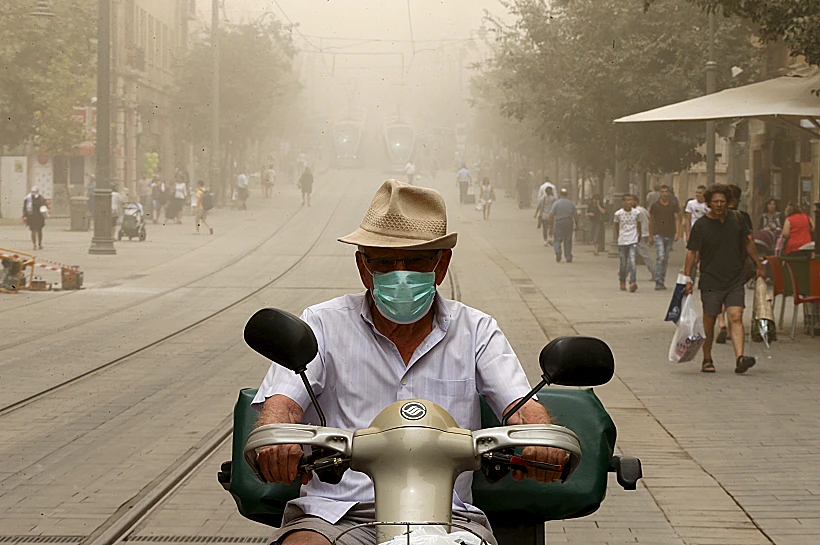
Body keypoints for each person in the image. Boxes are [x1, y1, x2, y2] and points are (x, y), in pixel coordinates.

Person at [252, 180, 567, 545]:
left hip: (450, 518)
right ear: (363, 266)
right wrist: (276, 439)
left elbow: (522, 407)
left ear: (441, 263)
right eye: (384, 262)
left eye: (416, 260)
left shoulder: (476, 329)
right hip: (336, 515)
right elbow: (283, 406)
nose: (400, 274)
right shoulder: (322, 323)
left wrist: (542, 439)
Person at [684, 184, 765, 374]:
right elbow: (691, 253)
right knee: (710, 320)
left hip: (735, 277)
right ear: (709, 203)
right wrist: (687, 278)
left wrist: (759, 265)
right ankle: (707, 358)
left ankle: (740, 358)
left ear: (727, 202)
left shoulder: (737, 219)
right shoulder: (701, 225)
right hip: (711, 279)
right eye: (715, 202)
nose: (719, 205)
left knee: (736, 316)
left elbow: (748, 242)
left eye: (722, 201)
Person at [649, 185, 681, 290]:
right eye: (662, 191)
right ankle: (658, 280)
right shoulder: (655, 205)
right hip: (658, 233)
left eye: (666, 192)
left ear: (669, 193)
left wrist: (677, 232)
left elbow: (677, 219)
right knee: (661, 257)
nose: (664, 194)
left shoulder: (673, 205)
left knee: (665, 259)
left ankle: (661, 280)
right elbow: (651, 221)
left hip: (670, 234)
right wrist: (651, 235)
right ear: (659, 193)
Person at [614, 194, 641, 292]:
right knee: (623, 264)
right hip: (622, 241)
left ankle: (633, 282)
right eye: (627, 200)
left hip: (633, 240)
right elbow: (616, 226)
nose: (630, 202)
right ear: (623, 202)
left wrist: (639, 235)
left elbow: (638, 224)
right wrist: (619, 236)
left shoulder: (636, 213)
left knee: (632, 262)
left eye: (631, 200)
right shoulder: (618, 214)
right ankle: (622, 281)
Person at [548, 188, 577, 263]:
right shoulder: (571, 203)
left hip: (559, 222)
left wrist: (551, 224)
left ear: (560, 194)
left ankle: (558, 251)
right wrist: (577, 224)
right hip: (569, 221)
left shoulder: (556, 203)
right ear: (567, 195)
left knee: (557, 239)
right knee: (568, 239)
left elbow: (551, 214)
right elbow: (575, 215)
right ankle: (568, 256)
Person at [634, 201, 656, 280]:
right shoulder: (643, 209)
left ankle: (655, 273)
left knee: (646, 255)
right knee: (632, 255)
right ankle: (623, 273)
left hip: (640, 235)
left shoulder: (637, 211)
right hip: (645, 233)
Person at [22, 186, 48, 250]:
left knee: (35, 231)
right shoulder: (40, 198)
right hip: (36, 216)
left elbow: (24, 208)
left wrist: (24, 215)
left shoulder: (28, 198)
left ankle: (36, 244)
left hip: (34, 216)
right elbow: (45, 206)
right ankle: (37, 244)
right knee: (37, 231)